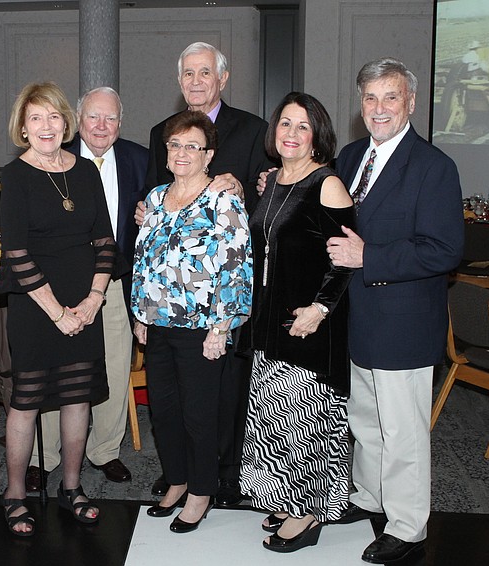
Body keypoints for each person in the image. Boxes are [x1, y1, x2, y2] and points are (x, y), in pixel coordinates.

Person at [326, 58, 463, 564]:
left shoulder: (434, 166)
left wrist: (370, 257)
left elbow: (445, 250)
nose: (379, 108)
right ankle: (369, 495)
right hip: (357, 317)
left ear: (411, 102)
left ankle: (407, 526)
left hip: (404, 323)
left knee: (403, 430)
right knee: (364, 420)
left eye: (390, 97)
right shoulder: (350, 156)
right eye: (370, 98)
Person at [142, 40, 272, 506]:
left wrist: (247, 190)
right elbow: (150, 221)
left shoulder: (255, 130)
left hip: (216, 303)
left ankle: (224, 476)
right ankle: (181, 474)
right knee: (170, 403)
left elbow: (269, 204)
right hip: (164, 311)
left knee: (223, 395)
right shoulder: (161, 133)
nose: (196, 82)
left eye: (205, 73)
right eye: (188, 74)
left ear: (222, 78)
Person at [0, 82, 116, 536]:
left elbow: (105, 241)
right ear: (23, 128)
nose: (46, 126)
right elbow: (17, 253)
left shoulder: (85, 171)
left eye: (53, 117)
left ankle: (71, 487)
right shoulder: (15, 175)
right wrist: (58, 312)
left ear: (66, 123)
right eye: (36, 118)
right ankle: (14, 493)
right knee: (26, 401)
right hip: (35, 306)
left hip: (84, 302)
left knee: (76, 396)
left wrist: (93, 300)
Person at [238, 92, 355, 553]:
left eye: (303, 126)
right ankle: (289, 501)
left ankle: (308, 514)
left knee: (307, 423)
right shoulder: (273, 181)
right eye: (285, 123)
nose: (292, 133)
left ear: (317, 135)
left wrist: (319, 309)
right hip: (271, 322)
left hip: (309, 324)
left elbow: (345, 260)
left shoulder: (327, 184)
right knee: (276, 424)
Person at [133, 110, 252, 534]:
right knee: (164, 411)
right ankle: (177, 480)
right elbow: (143, 260)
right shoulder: (156, 198)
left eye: (192, 146)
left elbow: (237, 269)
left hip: (203, 329)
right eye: (175, 145)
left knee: (199, 414)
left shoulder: (223, 201)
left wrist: (222, 328)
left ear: (209, 155)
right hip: (158, 325)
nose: (182, 153)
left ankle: (202, 490)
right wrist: (141, 315)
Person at [26, 86, 148, 491]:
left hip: (113, 283)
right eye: (93, 116)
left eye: (110, 118)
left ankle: (105, 450)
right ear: (78, 120)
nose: (101, 125)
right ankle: (45, 456)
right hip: (60, 285)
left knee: (114, 364)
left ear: (120, 123)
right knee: (56, 370)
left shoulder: (140, 160)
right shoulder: (54, 155)